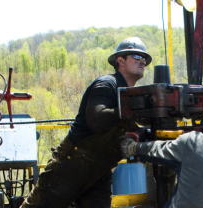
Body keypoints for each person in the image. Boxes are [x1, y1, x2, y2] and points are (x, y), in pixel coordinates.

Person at [20, 37, 152, 208]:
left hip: (99, 170)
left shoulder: (130, 95)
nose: (142, 61)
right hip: (72, 163)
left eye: (144, 59)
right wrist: (133, 109)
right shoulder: (107, 84)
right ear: (120, 60)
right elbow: (96, 119)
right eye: (136, 56)